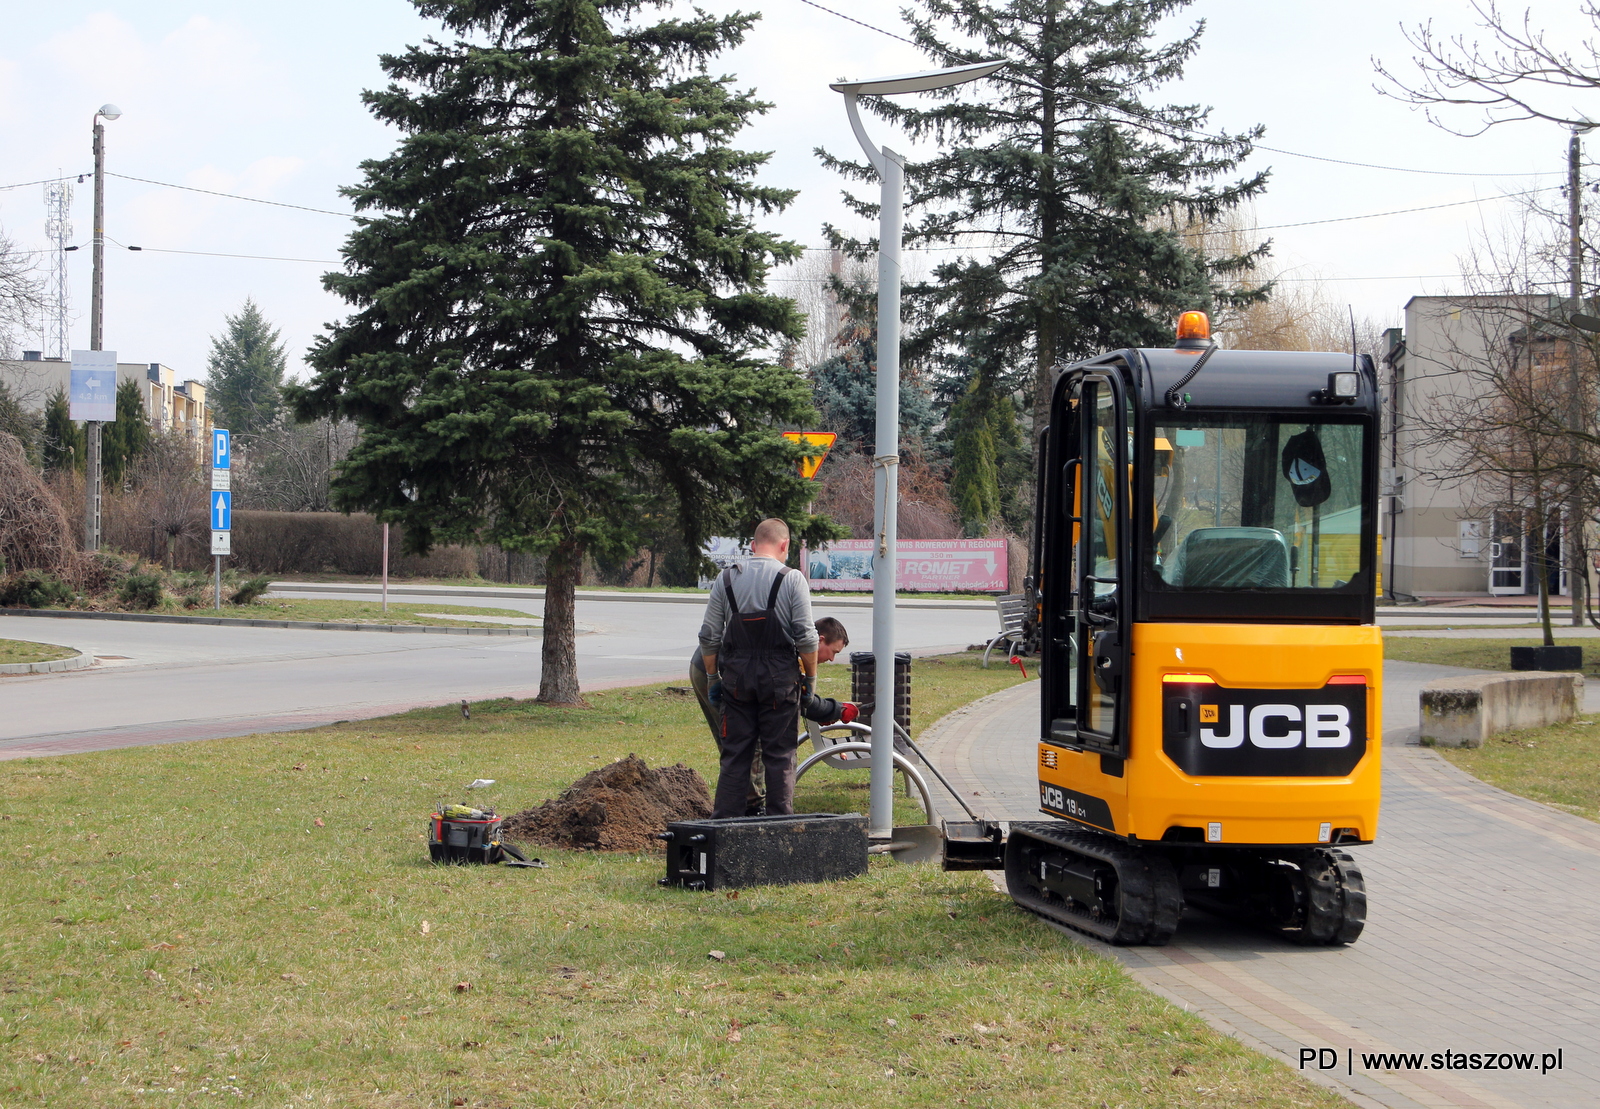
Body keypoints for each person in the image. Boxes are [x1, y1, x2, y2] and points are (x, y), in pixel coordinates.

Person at [698, 518, 819, 819]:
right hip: (780, 682)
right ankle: (780, 831)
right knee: (779, 757)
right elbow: (806, 636)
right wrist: (812, 680)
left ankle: (723, 830)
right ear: (784, 546)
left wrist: (713, 678)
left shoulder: (725, 579)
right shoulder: (792, 579)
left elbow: (709, 636)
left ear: (753, 546)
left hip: (736, 680)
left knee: (735, 756)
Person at [690, 617, 850, 815]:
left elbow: (794, 696)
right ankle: (751, 807)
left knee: (735, 743)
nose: (832, 659)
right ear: (820, 639)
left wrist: (830, 709)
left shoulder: (793, 640)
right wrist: (836, 709)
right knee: (746, 740)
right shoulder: (792, 646)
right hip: (715, 671)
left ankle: (741, 803)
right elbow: (795, 697)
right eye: (834, 652)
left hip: (707, 665)